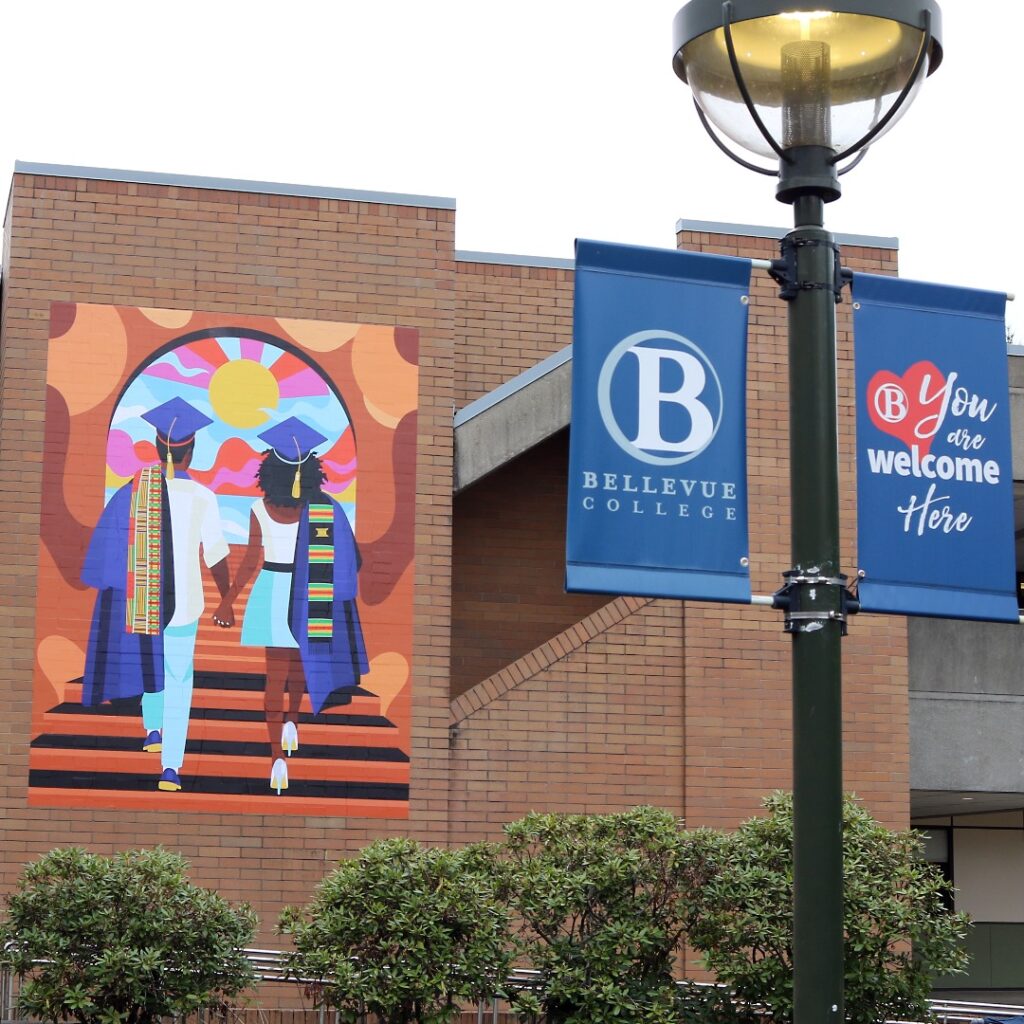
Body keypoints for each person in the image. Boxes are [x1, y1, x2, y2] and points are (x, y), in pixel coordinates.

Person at [82, 397, 232, 793]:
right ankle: (171, 769)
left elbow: (109, 546)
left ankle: (152, 729)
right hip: (184, 603)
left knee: (148, 662)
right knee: (179, 679)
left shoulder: (133, 490)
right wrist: (227, 598)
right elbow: (215, 553)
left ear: (156, 446)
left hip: (142, 597)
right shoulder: (203, 497)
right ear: (192, 450)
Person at [213, 416, 368, 795]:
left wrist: (228, 602)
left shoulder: (259, 509)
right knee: (303, 662)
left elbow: (251, 560)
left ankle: (275, 760)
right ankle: (293, 722)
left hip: (271, 588)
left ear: (270, 472)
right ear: (312, 472)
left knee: (274, 674)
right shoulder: (325, 511)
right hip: (310, 591)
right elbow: (351, 561)